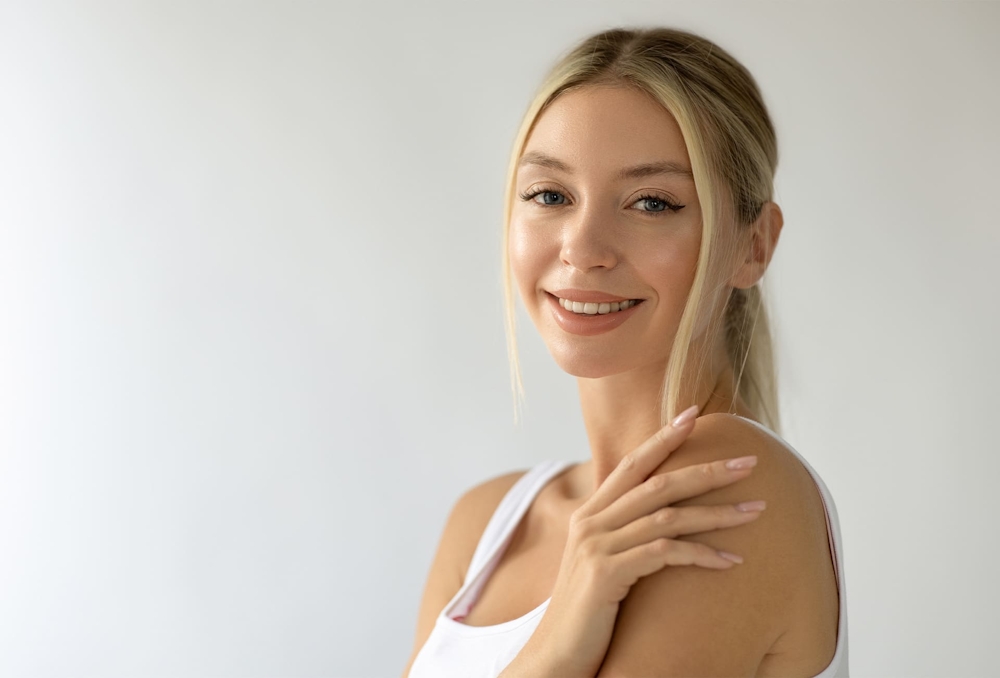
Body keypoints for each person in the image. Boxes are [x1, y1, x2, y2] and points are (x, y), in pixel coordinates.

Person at [403, 26, 848, 678]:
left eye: (651, 202)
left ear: (753, 244)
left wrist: (554, 656)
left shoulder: (727, 487)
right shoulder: (486, 526)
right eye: (550, 195)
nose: (583, 248)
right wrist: (555, 644)